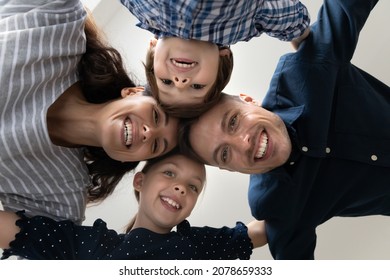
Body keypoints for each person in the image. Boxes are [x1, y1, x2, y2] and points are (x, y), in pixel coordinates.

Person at [179, 0, 390, 259]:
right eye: (224, 154)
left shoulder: (305, 72)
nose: (244, 143)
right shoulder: (275, 203)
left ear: (248, 100)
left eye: (233, 121)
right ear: (228, 169)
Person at [0, 0, 178, 225]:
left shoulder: (63, 197)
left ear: (130, 160)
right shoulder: (62, 24)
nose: (148, 132)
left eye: (155, 145)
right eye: (155, 116)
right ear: (133, 92)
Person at [0, 149, 267, 260]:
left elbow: (261, 231)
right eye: (170, 173)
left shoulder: (200, 246)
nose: (181, 188)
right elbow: (17, 231)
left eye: (193, 186)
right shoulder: (92, 244)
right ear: (140, 181)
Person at [120, 0, 311, 117]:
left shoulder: (140, 8)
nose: (180, 82)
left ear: (153, 48)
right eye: (196, 87)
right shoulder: (246, 25)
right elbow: (294, 25)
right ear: (223, 58)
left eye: (166, 82)